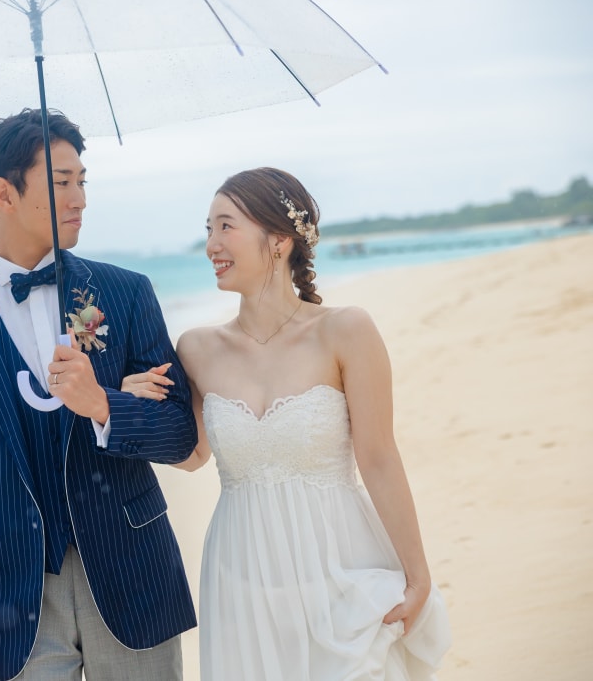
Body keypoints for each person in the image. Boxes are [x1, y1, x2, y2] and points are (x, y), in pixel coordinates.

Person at [123, 168, 451, 679]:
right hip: (242, 573)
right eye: (208, 228)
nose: (211, 244)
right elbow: (191, 456)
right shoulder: (197, 348)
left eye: (226, 226)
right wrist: (124, 406)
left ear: (278, 240)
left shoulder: (346, 331)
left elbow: (379, 456)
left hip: (339, 562)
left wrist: (418, 575)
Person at [0, 109, 198, 681]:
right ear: (3, 193)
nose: (81, 198)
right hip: (16, 601)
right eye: (62, 182)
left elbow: (181, 433)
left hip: (132, 575)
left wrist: (103, 404)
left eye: (82, 181)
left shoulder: (123, 292)